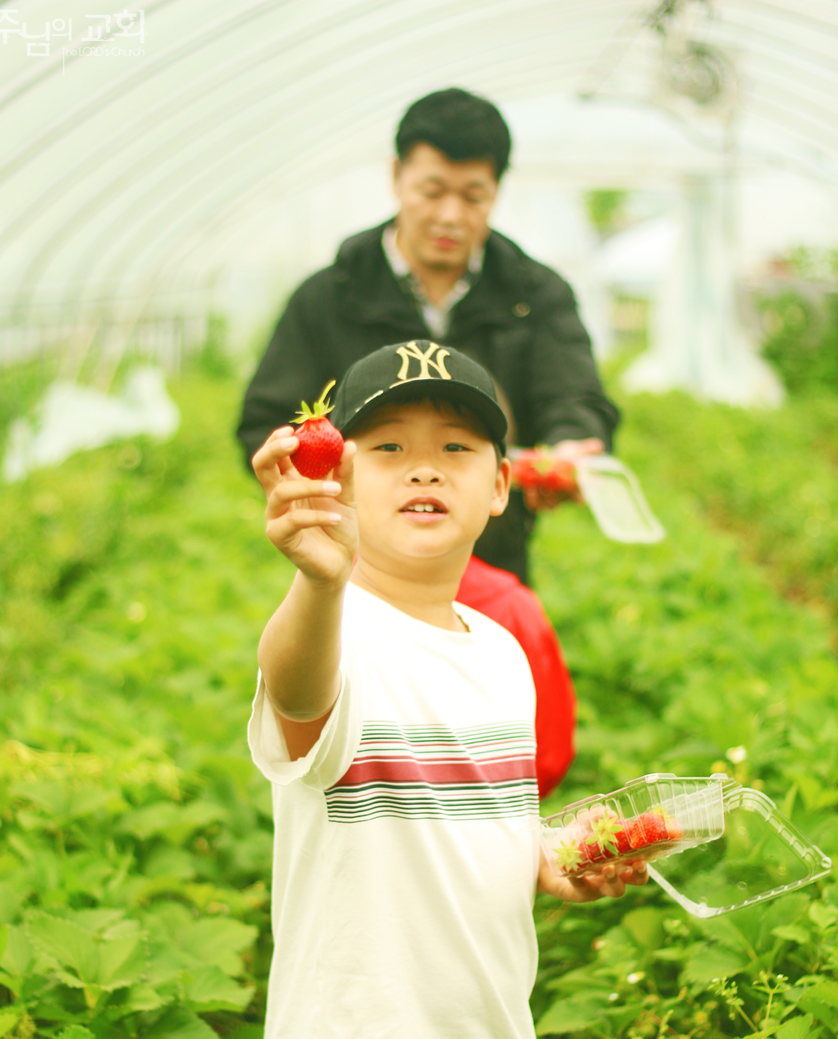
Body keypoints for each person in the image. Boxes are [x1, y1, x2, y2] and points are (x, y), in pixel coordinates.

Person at [248, 341, 647, 1039]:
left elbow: (470, 815)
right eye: (385, 446)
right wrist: (315, 578)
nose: (424, 465)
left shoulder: (501, 649)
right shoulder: (333, 631)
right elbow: (299, 692)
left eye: (457, 447)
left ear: (503, 486)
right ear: (336, 476)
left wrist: (545, 856)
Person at [239, 88, 617, 793]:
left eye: (472, 196)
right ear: (396, 179)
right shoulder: (330, 296)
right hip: (360, 570)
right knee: (361, 739)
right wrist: (312, 474)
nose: (450, 214)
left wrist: (569, 447)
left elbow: (575, 395)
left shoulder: (533, 294)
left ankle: (495, 848)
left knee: (485, 735)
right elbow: (265, 416)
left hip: (488, 560)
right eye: (432, 189)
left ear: (495, 194)